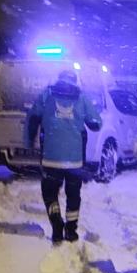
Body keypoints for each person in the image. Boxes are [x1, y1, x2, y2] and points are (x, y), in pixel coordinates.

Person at [25, 69, 101, 244]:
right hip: (74, 161)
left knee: (49, 194)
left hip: (51, 158)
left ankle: (57, 225)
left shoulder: (47, 95)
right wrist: (84, 121)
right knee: (73, 195)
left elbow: (33, 118)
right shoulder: (81, 98)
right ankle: (71, 232)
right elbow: (96, 124)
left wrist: (29, 141)